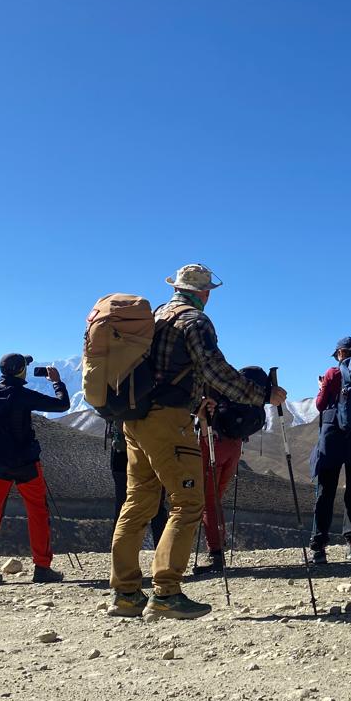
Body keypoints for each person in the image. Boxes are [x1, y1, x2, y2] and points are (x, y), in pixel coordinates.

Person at [109, 264, 287, 620]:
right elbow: (215, 371)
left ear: (177, 287)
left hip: (134, 420)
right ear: (205, 293)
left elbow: (163, 374)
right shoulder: (195, 321)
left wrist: (195, 401)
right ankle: (166, 593)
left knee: (139, 501)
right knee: (188, 502)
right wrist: (264, 394)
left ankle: (125, 592)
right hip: (167, 423)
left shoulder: (156, 316)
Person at [0, 354, 70, 586]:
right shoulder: (23, 395)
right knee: (37, 511)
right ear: (20, 371)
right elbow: (62, 404)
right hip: (25, 463)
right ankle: (42, 568)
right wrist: (57, 381)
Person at [309, 337, 351, 564]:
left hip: (333, 438)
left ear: (339, 353)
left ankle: (319, 546)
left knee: (326, 492)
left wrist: (321, 388)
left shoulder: (332, 373)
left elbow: (320, 404)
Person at [193, 401, 244, 576]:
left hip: (212, 443)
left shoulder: (208, 387)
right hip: (235, 445)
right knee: (215, 500)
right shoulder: (232, 389)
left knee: (208, 501)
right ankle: (218, 548)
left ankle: (216, 555)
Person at [108, 421, 167, 550]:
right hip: (153, 450)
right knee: (157, 504)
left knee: (122, 504)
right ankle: (163, 556)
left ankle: (120, 557)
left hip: (121, 452)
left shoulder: (118, 400)